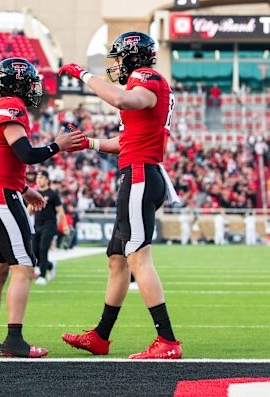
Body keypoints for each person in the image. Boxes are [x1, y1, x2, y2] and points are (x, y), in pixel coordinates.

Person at [58, 31, 183, 359]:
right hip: (138, 171)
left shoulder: (147, 78)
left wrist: (84, 75)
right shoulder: (144, 84)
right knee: (117, 260)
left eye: (118, 59)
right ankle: (100, 336)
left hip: (141, 174)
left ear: (133, 57)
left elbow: (122, 100)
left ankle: (167, 341)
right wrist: (91, 143)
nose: (115, 66)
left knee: (138, 258)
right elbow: (127, 141)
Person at [0, 57, 84, 358]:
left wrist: (24, 187)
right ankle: (14, 341)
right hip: (0, 195)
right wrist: (58, 145)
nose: (33, 89)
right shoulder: (10, 105)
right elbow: (26, 153)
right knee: (23, 268)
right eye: (30, 82)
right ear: (17, 82)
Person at [32, 170, 69, 285]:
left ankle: (42, 276)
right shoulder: (34, 193)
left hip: (49, 224)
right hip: (36, 224)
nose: (39, 180)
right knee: (34, 251)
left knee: (43, 249)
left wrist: (65, 226)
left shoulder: (53, 194)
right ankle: (50, 265)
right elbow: (29, 209)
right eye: (37, 178)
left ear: (47, 180)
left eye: (41, 177)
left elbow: (60, 212)